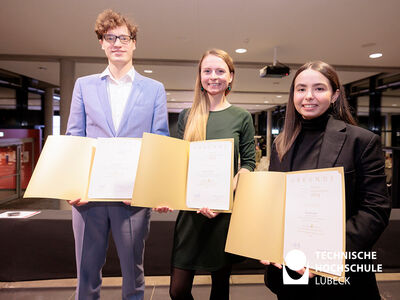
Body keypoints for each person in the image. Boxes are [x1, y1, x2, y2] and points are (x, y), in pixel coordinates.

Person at [262, 61, 391, 299]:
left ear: (335, 95)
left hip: (339, 275)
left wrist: (323, 254)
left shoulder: (361, 141)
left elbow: (375, 211)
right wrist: (267, 244)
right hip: (290, 270)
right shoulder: (282, 143)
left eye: (319, 89)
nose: (308, 96)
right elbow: (275, 205)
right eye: (301, 89)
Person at [66, 9, 169, 300]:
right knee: (86, 274)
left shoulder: (153, 90)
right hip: (89, 200)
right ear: (101, 43)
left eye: (123, 37)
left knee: (133, 275)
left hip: (132, 198)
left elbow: (159, 142)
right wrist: (76, 187)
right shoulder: (84, 86)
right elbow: (75, 138)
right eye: (109, 37)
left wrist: (150, 190)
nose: (117, 43)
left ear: (134, 42)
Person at [165, 49, 256, 300]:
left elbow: (248, 164)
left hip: (223, 213)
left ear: (231, 77)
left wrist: (223, 197)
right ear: (200, 76)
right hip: (190, 213)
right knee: (178, 290)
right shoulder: (188, 115)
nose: (213, 76)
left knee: (220, 287)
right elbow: (179, 163)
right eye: (207, 71)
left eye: (220, 71)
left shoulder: (242, 117)